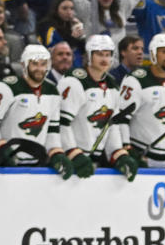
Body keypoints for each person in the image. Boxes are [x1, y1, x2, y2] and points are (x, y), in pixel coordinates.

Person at [56, 34, 137, 181]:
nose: (104, 59)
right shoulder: (74, 81)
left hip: (95, 163)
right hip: (72, 162)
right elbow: (61, 123)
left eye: (108, 55)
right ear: (89, 55)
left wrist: (119, 154)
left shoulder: (112, 85)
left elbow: (111, 126)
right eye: (99, 54)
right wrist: (73, 153)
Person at [0, 44, 73, 178]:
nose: (39, 69)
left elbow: (52, 130)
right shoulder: (5, 88)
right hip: (5, 166)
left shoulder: (52, 91)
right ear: (24, 64)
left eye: (43, 64)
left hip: (38, 166)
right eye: (34, 64)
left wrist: (56, 153)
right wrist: (1, 148)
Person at [115, 33, 165, 168]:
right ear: (153, 54)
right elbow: (121, 119)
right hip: (140, 158)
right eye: (164, 52)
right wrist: (126, 148)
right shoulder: (135, 80)